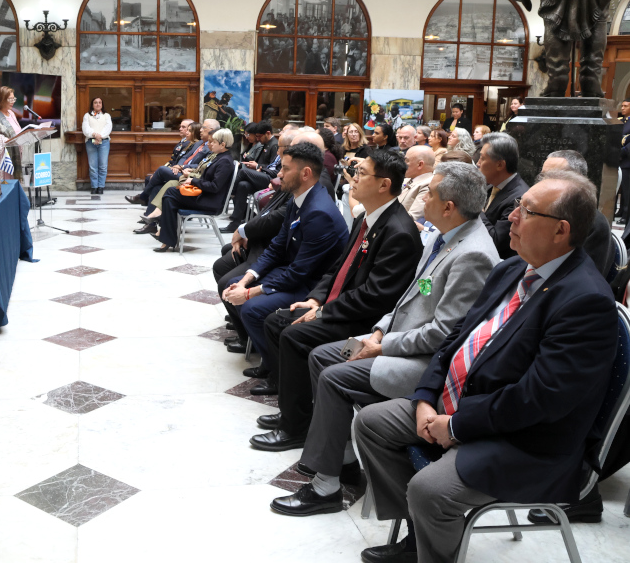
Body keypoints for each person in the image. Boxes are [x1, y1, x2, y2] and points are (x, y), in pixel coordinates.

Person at [354, 171, 617, 563]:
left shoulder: (585, 301)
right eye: (516, 206)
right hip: (466, 402)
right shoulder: (512, 268)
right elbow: (455, 338)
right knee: (370, 424)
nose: (510, 216)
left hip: (527, 440)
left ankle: (434, 541)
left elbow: (539, 399)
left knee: (431, 490)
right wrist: (426, 397)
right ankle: (420, 535)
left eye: (526, 211)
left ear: (560, 231)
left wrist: (457, 426)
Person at [269, 162, 499, 517]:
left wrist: (383, 345)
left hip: (422, 364)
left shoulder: (473, 255)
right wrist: (379, 329)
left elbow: (444, 334)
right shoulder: (443, 236)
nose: (423, 197)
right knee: (323, 355)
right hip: (391, 340)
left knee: (334, 376)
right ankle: (342, 454)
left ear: (449, 206)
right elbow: (409, 297)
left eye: (429, 193)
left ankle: (325, 485)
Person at [248, 150, 422, 436]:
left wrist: (325, 311)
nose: (353, 178)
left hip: (364, 322)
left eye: (362, 173)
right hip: (339, 306)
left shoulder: (398, 231)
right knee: (275, 321)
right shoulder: (369, 217)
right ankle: (294, 407)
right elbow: (339, 267)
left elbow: (374, 296)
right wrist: (316, 298)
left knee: (293, 335)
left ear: (384, 184)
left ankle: (296, 427)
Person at [222, 143, 349, 366]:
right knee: (233, 283)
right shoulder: (298, 198)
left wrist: (250, 293)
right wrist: (245, 281)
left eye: (285, 169)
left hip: (312, 285)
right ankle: (265, 352)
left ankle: (276, 370)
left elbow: (299, 273)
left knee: (251, 308)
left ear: (305, 173)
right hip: (293, 273)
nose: (279, 174)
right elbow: (277, 247)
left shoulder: (319, 212)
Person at [152, 128, 235, 252]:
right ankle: (166, 238)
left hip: (210, 201)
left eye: (214, 142)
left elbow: (214, 187)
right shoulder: (219, 157)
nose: (210, 144)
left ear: (223, 145)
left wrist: (193, 181)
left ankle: (166, 237)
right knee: (170, 199)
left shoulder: (225, 162)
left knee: (170, 193)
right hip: (204, 196)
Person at [541, 150, 614, 278]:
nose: (542, 183)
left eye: (552, 177)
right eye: (542, 177)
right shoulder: (538, 210)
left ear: (577, 181)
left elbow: (584, 278)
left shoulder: (593, 223)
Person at [221, 121, 283, 233]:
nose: (258, 139)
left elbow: (275, 169)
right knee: (242, 185)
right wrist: (257, 166)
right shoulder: (266, 144)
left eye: (259, 136)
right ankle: (236, 222)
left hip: (270, 179)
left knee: (243, 173)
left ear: (267, 133)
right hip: (261, 175)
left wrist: (259, 166)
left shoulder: (275, 145)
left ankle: (230, 194)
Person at [477, 132, 529, 259]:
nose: (478, 163)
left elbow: (496, 241)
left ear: (500, 165)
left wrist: (475, 206)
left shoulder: (519, 198)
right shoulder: (491, 185)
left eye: (483, 158)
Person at [126, 120, 197, 206]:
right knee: (149, 178)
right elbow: (174, 159)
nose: (180, 129)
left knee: (155, 177)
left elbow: (184, 159)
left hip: (182, 172)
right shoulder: (184, 142)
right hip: (176, 167)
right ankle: (148, 203)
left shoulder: (191, 144)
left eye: (184, 127)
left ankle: (144, 199)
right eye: (180, 126)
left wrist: (179, 167)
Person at [82, 96, 112, 195]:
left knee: (103, 166)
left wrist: (100, 136)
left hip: (104, 143)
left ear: (102, 104)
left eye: (99, 102)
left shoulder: (106, 115)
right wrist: (95, 135)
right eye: (95, 102)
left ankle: (101, 186)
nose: (98, 104)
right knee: (92, 166)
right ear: (92, 104)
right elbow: (86, 129)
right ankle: (94, 186)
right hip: (91, 143)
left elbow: (108, 128)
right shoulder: (87, 115)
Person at [399, 146, 435, 223]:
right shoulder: (407, 179)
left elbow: (412, 217)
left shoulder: (429, 184)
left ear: (420, 165)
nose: (403, 164)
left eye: (406, 160)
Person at [618, 99, 630, 223]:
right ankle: (620, 210)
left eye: (625, 106)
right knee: (618, 186)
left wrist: (623, 152)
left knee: (626, 189)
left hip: (627, 160)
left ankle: (626, 214)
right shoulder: (619, 121)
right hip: (616, 159)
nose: (622, 108)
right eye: (621, 106)